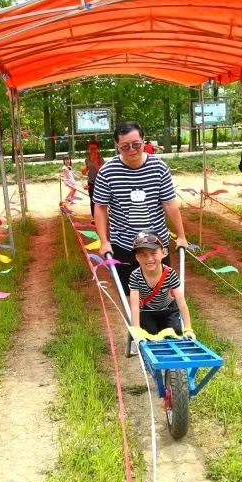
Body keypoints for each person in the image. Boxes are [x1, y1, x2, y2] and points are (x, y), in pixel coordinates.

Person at [93, 121, 189, 315]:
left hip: (156, 244)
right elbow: (100, 208)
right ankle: (138, 336)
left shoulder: (159, 167)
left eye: (136, 144)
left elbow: (170, 203)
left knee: (162, 293)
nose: (131, 150)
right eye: (125, 146)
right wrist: (104, 241)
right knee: (130, 294)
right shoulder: (107, 171)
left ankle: (164, 331)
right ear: (117, 146)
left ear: (144, 141)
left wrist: (181, 235)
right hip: (124, 245)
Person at [129, 232, 194, 339]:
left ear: (163, 252)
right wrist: (137, 331)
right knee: (150, 334)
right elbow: (135, 305)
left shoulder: (170, 273)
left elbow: (181, 301)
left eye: (153, 253)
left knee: (176, 332)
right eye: (143, 254)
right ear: (137, 257)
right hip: (147, 311)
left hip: (168, 309)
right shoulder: (135, 276)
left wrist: (188, 329)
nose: (149, 259)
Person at [81, 140, 104, 216]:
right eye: (91, 148)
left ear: (97, 149)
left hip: (100, 183)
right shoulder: (87, 159)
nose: (92, 150)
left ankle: (101, 216)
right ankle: (94, 217)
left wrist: (95, 161)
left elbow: (101, 171)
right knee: (92, 200)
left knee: (100, 201)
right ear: (88, 149)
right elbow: (84, 172)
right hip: (90, 182)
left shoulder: (100, 159)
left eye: (94, 148)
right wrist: (83, 170)